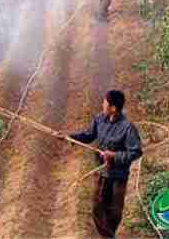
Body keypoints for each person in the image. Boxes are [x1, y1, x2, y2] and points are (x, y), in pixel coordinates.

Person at [60, 90, 143, 238]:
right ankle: (108, 236)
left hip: (118, 176)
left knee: (115, 211)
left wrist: (115, 156)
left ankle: (109, 235)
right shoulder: (99, 119)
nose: (102, 105)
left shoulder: (127, 128)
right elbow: (88, 135)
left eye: (104, 103)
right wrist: (69, 137)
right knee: (97, 208)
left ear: (113, 108)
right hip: (102, 173)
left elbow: (136, 152)